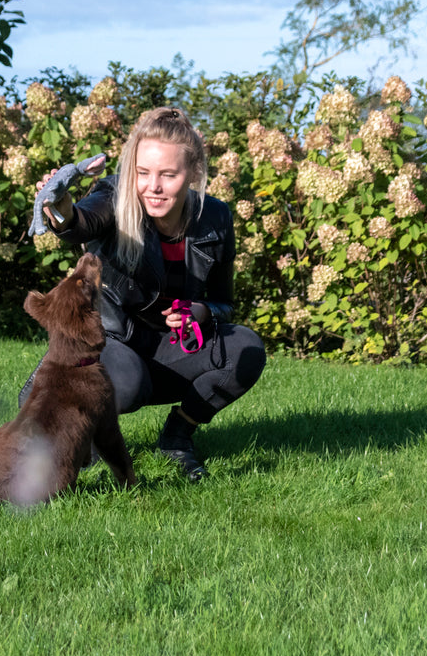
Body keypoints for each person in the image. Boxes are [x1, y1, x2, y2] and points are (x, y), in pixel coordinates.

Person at [27, 106, 266, 481]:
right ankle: (66, 419)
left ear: (193, 173)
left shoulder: (217, 218)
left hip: (173, 349)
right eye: (142, 173)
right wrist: (60, 207)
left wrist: (202, 311)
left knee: (246, 349)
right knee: (129, 381)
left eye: (168, 175)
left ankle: (177, 438)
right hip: (114, 345)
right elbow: (80, 223)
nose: (152, 186)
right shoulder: (113, 194)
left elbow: (224, 301)